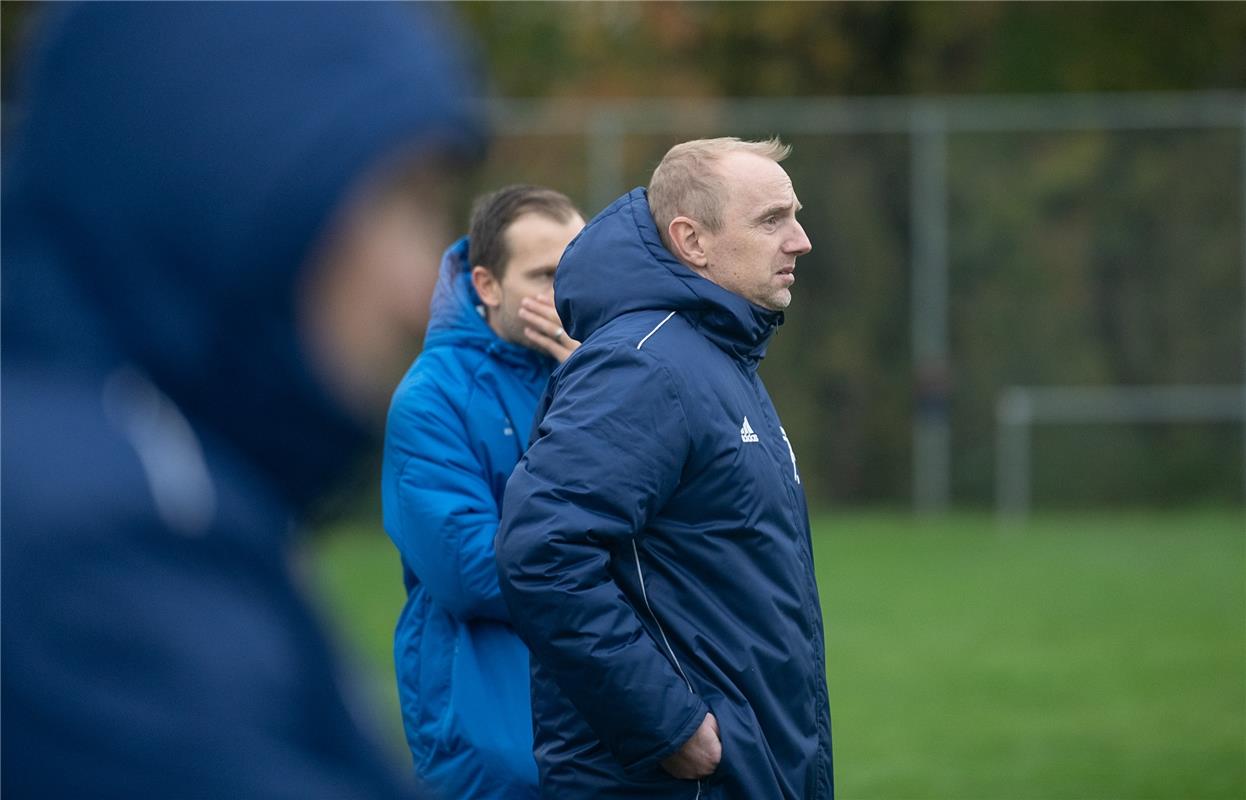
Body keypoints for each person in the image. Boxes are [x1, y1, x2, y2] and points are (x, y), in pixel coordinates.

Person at [1, 3, 485, 798]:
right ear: (233, 174)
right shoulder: (97, 548)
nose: (419, 290)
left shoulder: (169, 469)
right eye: (395, 202)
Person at [495, 138, 834, 799]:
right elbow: (542, 550)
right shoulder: (644, 366)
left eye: (795, 215)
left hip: (748, 768)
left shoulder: (716, 357)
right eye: (772, 220)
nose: (801, 240)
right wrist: (666, 724)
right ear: (692, 240)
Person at [381, 185, 585, 798]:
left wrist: (594, 387)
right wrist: (603, 570)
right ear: (487, 285)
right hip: (488, 726)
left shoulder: (599, 371)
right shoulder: (430, 398)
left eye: (575, 270)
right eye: (545, 275)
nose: (566, 293)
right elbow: (471, 570)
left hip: (603, 713)